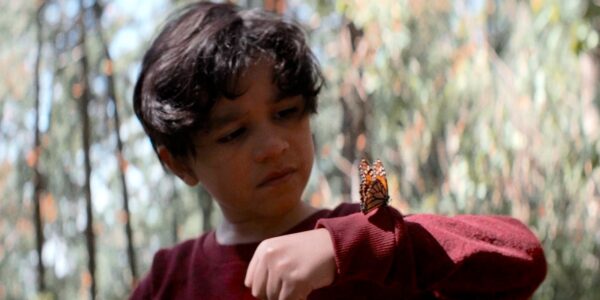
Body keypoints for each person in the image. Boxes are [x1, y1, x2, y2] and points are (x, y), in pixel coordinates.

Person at [130, 2, 547, 299]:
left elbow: (523, 257)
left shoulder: (366, 236)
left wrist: (353, 246)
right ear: (180, 162)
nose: (274, 146)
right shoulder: (168, 280)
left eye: (288, 112)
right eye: (234, 133)